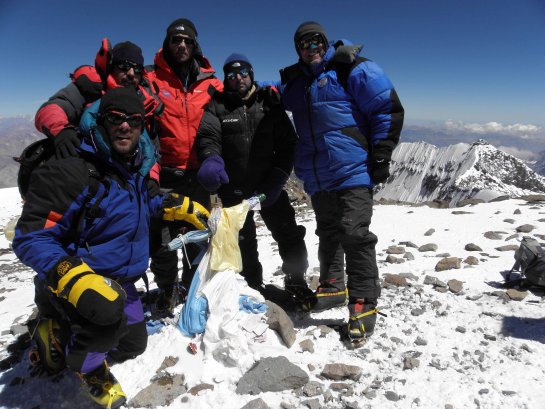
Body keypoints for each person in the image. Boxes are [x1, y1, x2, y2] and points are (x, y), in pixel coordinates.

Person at [13, 88, 208, 409]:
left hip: (120, 283)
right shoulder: (73, 171)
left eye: (133, 120)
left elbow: (143, 202)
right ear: (101, 122)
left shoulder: (132, 169)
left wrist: (178, 205)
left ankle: (75, 333)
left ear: (142, 127)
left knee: (133, 344)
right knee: (104, 315)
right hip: (78, 282)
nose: (124, 126)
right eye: (115, 119)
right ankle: (80, 360)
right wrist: (71, 278)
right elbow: (31, 236)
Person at [273, 21, 404, 339]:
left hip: (353, 170)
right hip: (319, 175)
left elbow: (387, 108)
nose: (311, 48)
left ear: (326, 42)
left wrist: (382, 154)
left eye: (316, 41)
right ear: (298, 51)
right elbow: (268, 90)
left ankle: (364, 302)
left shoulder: (354, 69)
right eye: (304, 45)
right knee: (329, 231)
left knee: (354, 234)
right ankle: (333, 286)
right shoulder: (297, 84)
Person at [196, 53, 312, 305]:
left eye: (244, 72)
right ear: (225, 79)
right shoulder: (217, 106)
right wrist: (210, 159)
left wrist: (279, 177)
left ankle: (296, 280)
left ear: (252, 75)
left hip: (267, 185)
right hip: (233, 190)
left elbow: (287, 143)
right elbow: (208, 138)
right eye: (231, 74)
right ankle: (251, 286)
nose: (238, 78)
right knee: (241, 243)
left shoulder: (268, 103)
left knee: (288, 233)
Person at [144, 18, 223, 311]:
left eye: (187, 41)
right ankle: (167, 288)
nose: (181, 45)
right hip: (165, 174)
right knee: (162, 240)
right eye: (176, 40)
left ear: (194, 45)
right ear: (168, 43)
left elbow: (236, 100)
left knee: (199, 234)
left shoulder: (211, 83)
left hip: (199, 175)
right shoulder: (151, 78)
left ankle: (193, 285)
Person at [35, 40, 162, 164]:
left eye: (137, 69)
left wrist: (152, 179)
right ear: (112, 67)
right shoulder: (90, 89)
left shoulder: (147, 103)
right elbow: (52, 108)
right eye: (124, 66)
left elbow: (151, 148)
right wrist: (62, 130)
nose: (131, 73)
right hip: (89, 170)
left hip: (129, 178)